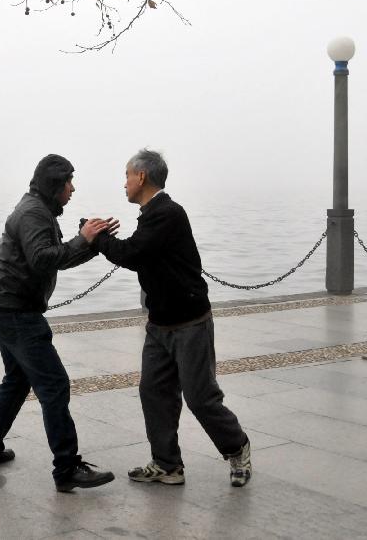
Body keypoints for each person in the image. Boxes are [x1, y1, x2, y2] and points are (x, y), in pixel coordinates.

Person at [91, 149, 252, 488]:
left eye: (126, 175)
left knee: (200, 397)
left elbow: (133, 254)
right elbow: (139, 250)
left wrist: (98, 238)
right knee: (154, 391)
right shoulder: (152, 214)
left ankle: (237, 448)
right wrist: (102, 235)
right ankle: (167, 465)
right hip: (160, 323)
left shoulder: (167, 213)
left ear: (141, 177)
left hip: (189, 322)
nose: (124, 183)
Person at [0, 153, 116, 493]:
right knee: (54, 385)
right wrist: (83, 239)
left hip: (3, 308)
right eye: (69, 181)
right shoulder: (34, 213)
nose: (73, 188)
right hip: (17, 314)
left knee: (17, 380)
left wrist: (92, 243)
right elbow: (42, 259)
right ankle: (66, 468)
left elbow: (55, 259)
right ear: (55, 183)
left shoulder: (37, 208)